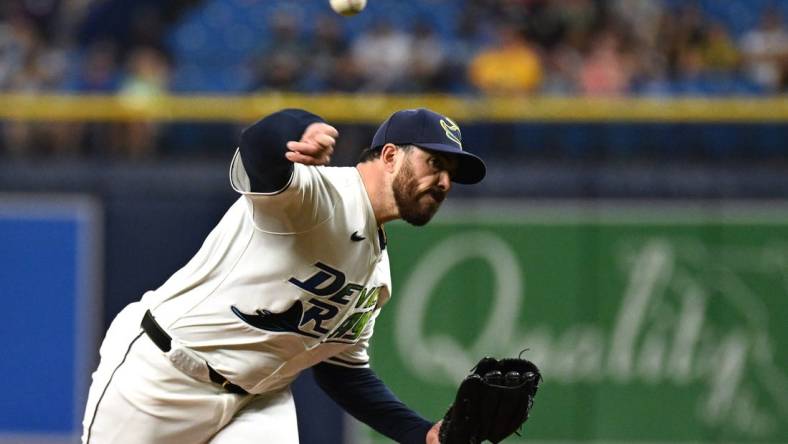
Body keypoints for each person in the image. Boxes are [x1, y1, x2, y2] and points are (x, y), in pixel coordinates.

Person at [81, 107, 486, 443]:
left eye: (452, 172)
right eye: (435, 163)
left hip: (256, 402)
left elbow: (342, 372)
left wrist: (422, 434)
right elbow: (257, 147)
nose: (445, 182)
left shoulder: (377, 273)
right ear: (390, 156)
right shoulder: (318, 195)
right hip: (162, 376)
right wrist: (300, 127)